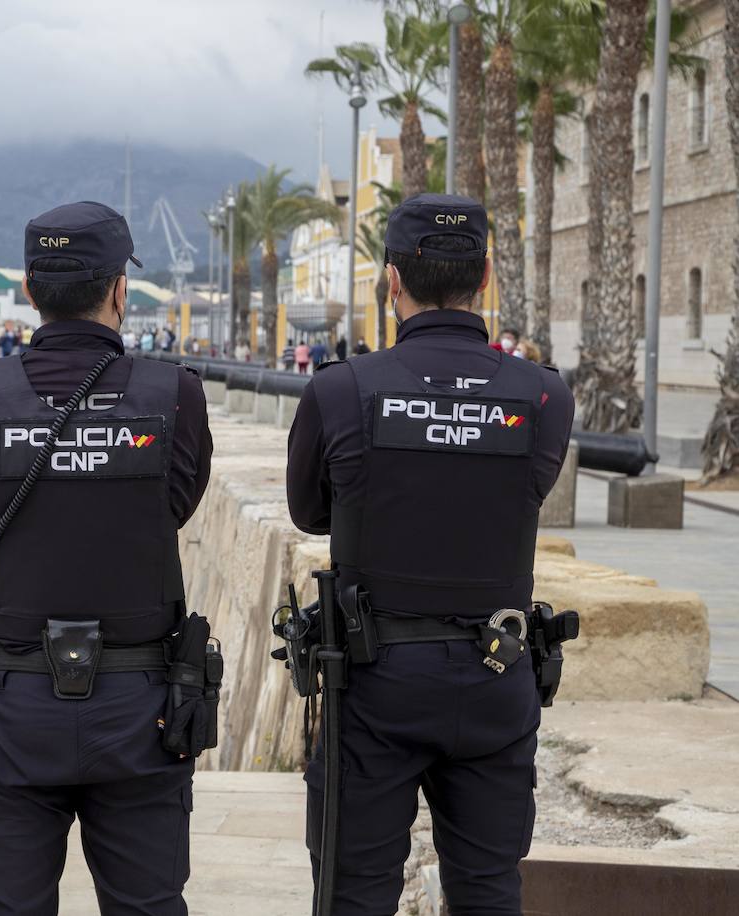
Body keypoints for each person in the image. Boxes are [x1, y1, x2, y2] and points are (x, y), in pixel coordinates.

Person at [286, 193, 574, 915]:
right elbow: (525, 493)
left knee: (354, 893)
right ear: (483, 275)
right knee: (488, 891)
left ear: (392, 280)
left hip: (372, 679)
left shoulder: (341, 389)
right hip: (496, 675)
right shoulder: (543, 397)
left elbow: (310, 511)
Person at [0, 201, 214, 915]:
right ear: (119, 290)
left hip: (11, 708)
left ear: (30, 291)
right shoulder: (175, 392)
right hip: (142, 708)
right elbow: (172, 511)